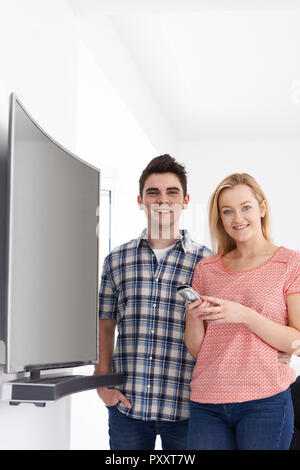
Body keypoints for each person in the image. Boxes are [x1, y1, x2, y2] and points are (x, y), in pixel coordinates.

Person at [95, 154, 212, 450]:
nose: (163, 199)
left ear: (185, 200)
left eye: (172, 192)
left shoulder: (207, 262)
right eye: (153, 192)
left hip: (187, 407)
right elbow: (105, 323)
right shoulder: (117, 260)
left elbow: (218, 331)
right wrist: (102, 382)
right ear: (140, 200)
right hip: (128, 405)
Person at [184, 172, 300, 450]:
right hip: (207, 402)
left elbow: (297, 340)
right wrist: (192, 314)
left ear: (261, 208)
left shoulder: (289, 263)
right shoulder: (206, 269)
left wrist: (244, 315)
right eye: (228, 211)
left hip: (266, 401)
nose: (238, 218)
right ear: (221, 218)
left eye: (246, 207)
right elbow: (201, 350)